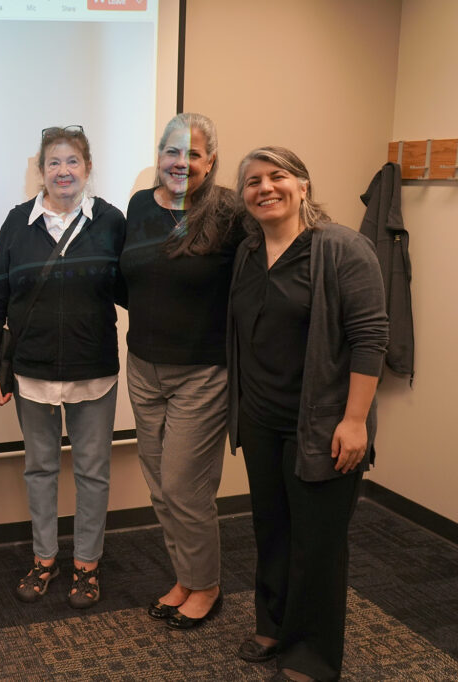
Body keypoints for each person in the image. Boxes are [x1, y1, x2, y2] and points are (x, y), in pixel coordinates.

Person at [228, 147, 387, 682]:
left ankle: (311, 656)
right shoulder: (248, 252)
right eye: (253, 181)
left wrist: (355, 420)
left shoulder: (342, 248)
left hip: (323, 425)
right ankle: (273, 624)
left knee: (317, 542)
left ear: (303, 185)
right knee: (271, 528)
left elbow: (370, 338)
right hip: (261, 419)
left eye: (277, 177)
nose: (265, 188)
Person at [0, 125, 126, 609]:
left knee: (93, 472)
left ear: (87, 168)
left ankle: (87, 565)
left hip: (94, 371)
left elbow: (133, 287)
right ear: (40, 172)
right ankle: (44, 559)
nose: (64, 171)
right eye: (54, 163)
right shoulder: (18, 223)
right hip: (32, 372)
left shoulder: (111, 221)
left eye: (73, 161)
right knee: (39, 469)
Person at [118, 113, 241, 629]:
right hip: (143, 366)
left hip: (202, 371)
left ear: (210, 160)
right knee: (159, 487)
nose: (180, 163)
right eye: (172, 152)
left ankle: (207, 585)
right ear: (159, 155)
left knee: (185, 487)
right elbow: (129, 278)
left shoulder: (231, 211)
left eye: (193, 154)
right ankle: (186, 577)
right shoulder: (140, 205)